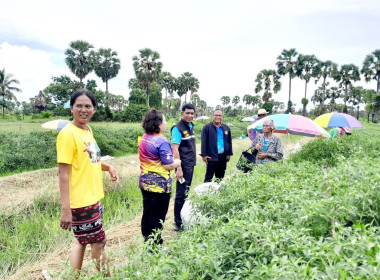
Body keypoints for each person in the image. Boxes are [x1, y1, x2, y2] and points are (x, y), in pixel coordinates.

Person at [57, 89, 119, 278]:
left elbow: (92, 160)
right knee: (98, 244)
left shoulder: (87, 130)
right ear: (71, 108)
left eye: (88, 106)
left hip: (93, 197)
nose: (83, 110)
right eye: (79, 106)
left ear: (94, 109)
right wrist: (66, 209)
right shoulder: (68, 134)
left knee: (81, 241)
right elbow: (63, 173)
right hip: (81, 201)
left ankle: (73, 277)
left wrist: (107, 167)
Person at [138, 109, 181, 245]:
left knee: (148, 212)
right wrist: (178, 162)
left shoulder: (144, 138)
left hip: (145, 182)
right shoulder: (162, 142)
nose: (166, 123)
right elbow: (168, 165)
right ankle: (156, 245)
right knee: (158, 217)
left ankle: (147, 240)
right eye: (164, 120)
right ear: (158, 124)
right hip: (159, 186)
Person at [171, 104, 196, 231]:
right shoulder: (177, 128)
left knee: (186, 192)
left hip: (190, 164)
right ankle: (178, 223)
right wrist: (179, 168)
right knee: (181, 194)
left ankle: (183, 219)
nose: (190, 115)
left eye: (192, 113)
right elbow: (175, 149)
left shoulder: (191, 126)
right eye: (187, 113)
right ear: (182, 113)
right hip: (182, 166)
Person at [201, 109, 233, 182]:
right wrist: (204, 155)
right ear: (213, 116)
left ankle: (217, 192)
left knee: (220, 178)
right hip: (211, 157)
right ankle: (207, 192)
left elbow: (229, 141)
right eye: (216, 115)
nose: (218, 117)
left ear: (222, 117)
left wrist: (229, 154)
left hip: (223, 157)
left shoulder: (226, 128)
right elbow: (204, 141)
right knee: (208, 177)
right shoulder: (207, 128)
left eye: (220, 115)